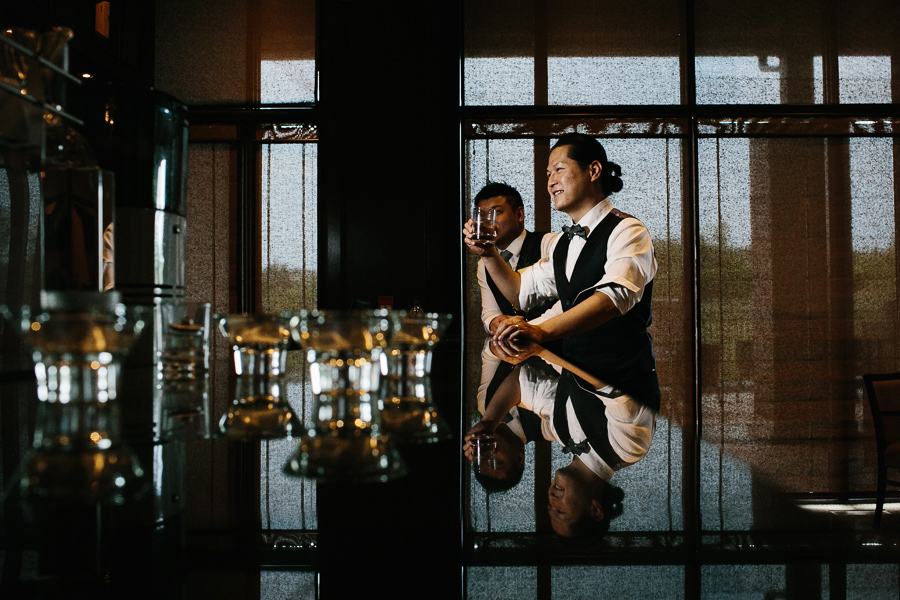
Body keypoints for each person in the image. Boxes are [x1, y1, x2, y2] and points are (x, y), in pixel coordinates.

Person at [463, 132, 660, 410]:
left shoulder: (628, 230)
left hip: (625, 388)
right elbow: (520, 293)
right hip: (576, 378)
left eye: (558, 169)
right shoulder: (563, 244)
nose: (550, 182)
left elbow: (612, 299)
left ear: (593, 170)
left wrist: (538, 331)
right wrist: (489, 253)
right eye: (547, 174)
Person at [465, 339, 652, 537]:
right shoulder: (628, 448)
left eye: (549, 508)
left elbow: (520, 381)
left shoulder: (563, 432)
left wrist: (489, 422)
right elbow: (612, 378)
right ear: (596, 509)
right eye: (560, 511)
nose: (552, 500)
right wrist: (541, 348)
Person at [471, 183, 558, 334]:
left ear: (520, 214)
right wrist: (493, 321)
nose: (488, 223)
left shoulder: (549, 243)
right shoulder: (484, 263)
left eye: (496, 213)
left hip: (555, 341)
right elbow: (490, 312)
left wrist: (531, 327)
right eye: (483, 217)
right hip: (513, 348)